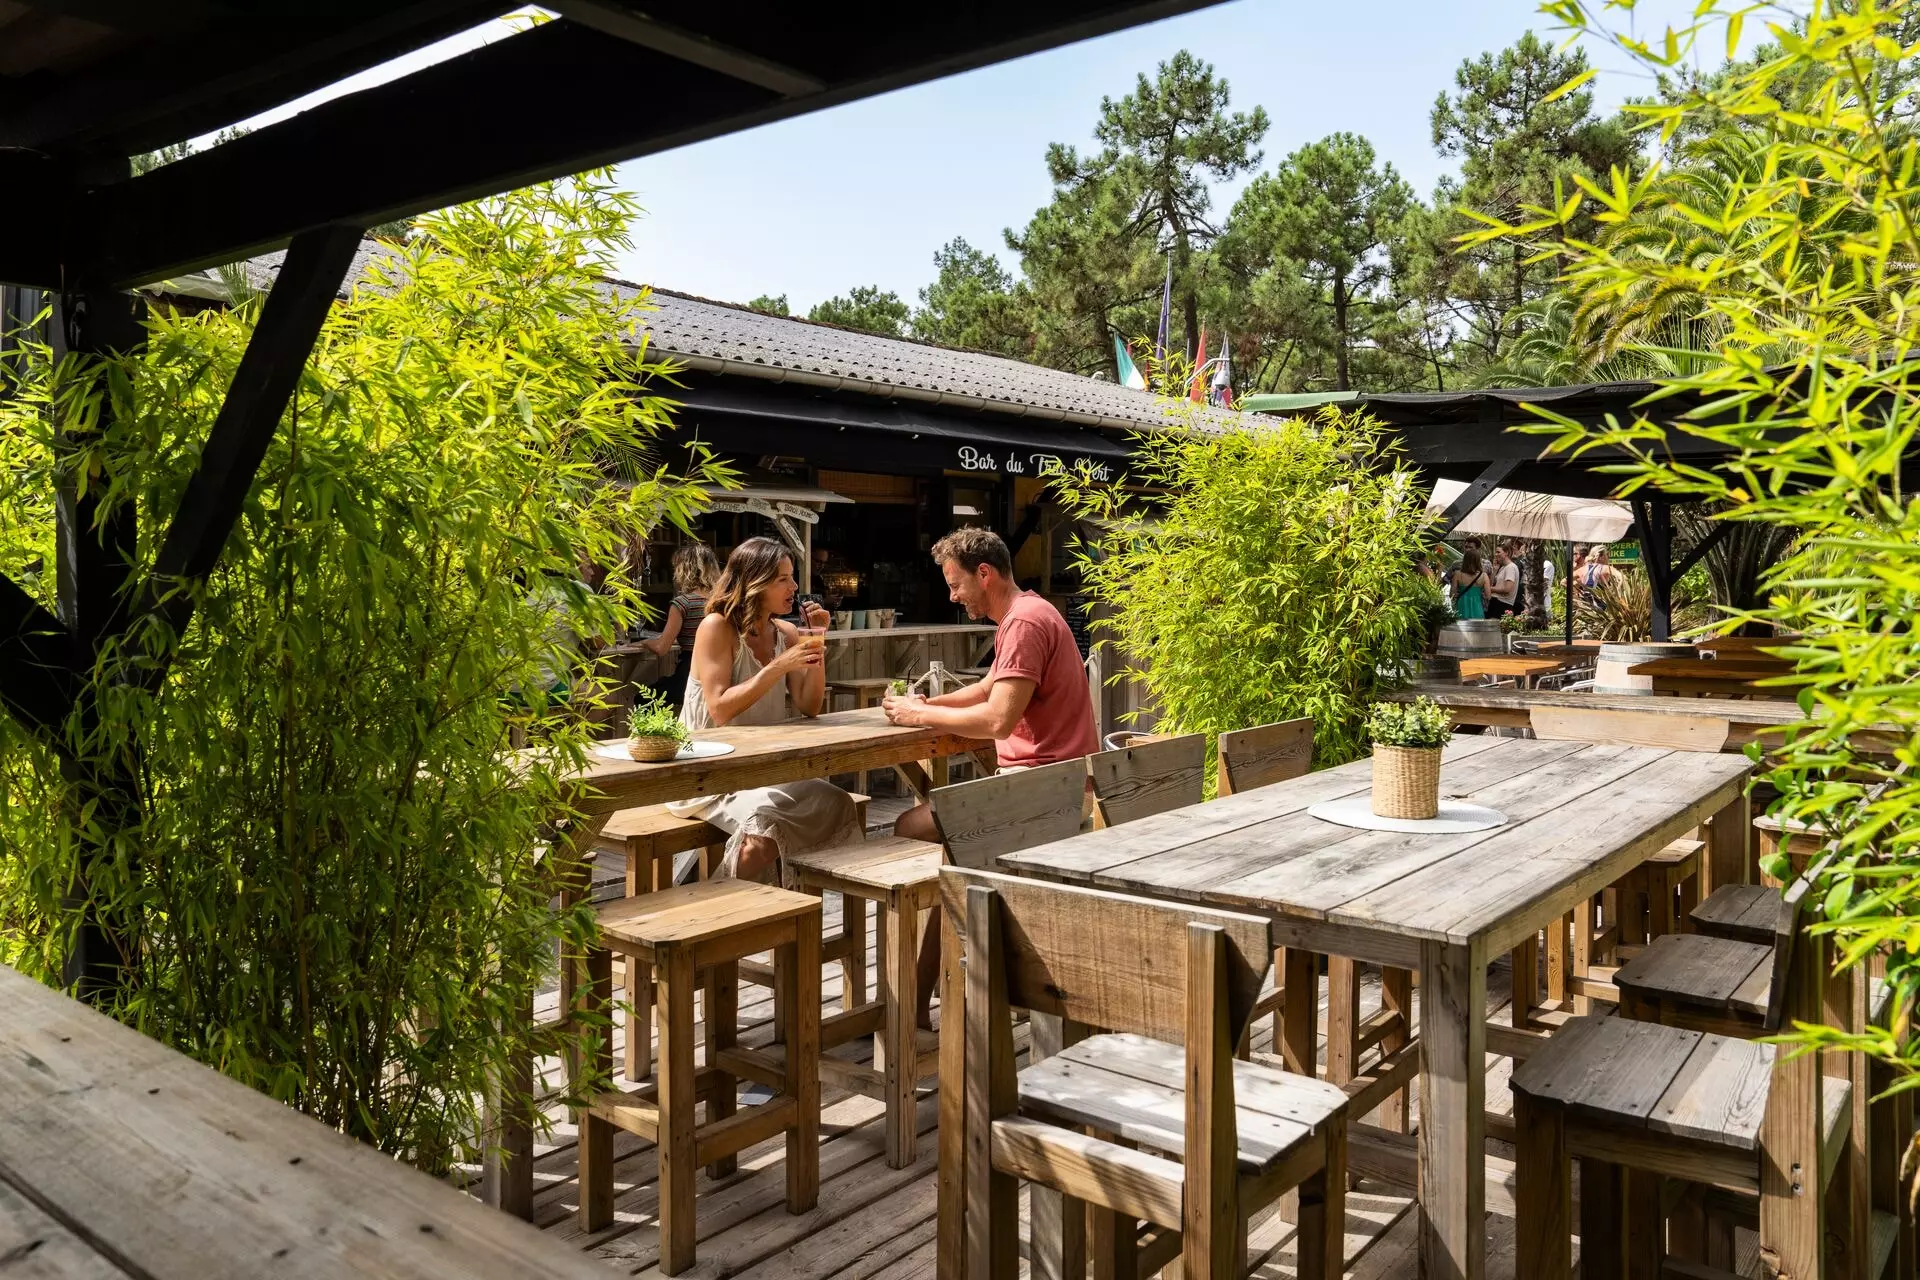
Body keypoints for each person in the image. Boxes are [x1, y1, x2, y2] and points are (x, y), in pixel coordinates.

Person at [880, 527, 1097, 1026]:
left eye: (956, 585)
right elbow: (986, 689)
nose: (953, 597)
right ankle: (929, 994)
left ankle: (919, 999)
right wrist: (928, 703)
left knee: (908, 830)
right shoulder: (1031, 611)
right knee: (950, 856)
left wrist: (920, 716)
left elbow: (997, 718)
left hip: (1037, 793)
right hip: (1056, 788)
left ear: (984, 574)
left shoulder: (1023, 623)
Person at [667, 537, 864, 885]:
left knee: (838, 802)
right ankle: (719, 902)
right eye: (783, 579)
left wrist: (816, 638)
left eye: (792, 577)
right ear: (754, 583)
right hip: (706, 774)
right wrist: (777, 667)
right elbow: (720, 709)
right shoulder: (717, 627)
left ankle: (790, 905)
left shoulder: (785, 632)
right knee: (766, 828)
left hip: (762, 768)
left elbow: (809, 705)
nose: (794, 587)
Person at [642, 543, 720, 710]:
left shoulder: (683, 603)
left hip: (690, 675)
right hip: (720, 674)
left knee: (643, 699)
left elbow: (662, 648)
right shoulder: (722, 602)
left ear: (684, 570)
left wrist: (645, 642)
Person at [1448, 548, 1490, 620]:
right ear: (1478, 561)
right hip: (1477, 609)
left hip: (1461, 608)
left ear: (1465, 560)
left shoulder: (1457, 574)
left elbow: (1452, 594)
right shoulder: (1484, 575)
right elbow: (1488, 596)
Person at [1487, 542, 1521, 618]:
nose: (1496, 554)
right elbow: (1491, 584)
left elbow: (1507, 589)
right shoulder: (1503, 567)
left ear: (1506, 553)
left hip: (1502, 605)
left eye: (1498, 552)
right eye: (1496, 552)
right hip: (1496, 603)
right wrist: (1495, 570)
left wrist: (1489, 589)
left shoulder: (1511, 567)